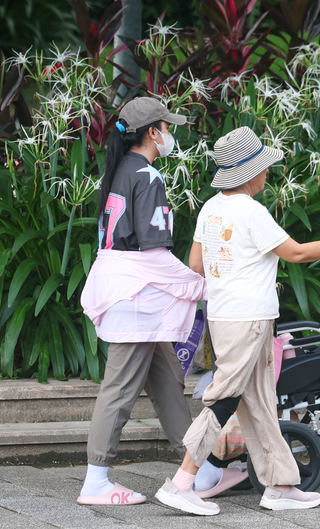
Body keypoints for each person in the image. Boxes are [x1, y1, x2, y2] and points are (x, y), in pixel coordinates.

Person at [154, 126, 320, 516]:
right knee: (225, 397)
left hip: (224, 317)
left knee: (260, 402)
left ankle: (280, 485)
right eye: (264, 166)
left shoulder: (211, 208)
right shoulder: (252, 212)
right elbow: (297, 254)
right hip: (248, 319)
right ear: (250, 173)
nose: (268, 172)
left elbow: (196, 265)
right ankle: (182, 482)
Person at [77, 97, 247, 505]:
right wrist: (204, 284)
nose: (171, 133)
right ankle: (96, 481)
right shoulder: (148, 177)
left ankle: (201, 471)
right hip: (137, 300)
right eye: (167, 127)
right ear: (153, 132)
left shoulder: (121, 170)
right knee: (118, 389)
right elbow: (153, 254)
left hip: (131, 295)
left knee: (168, 379)